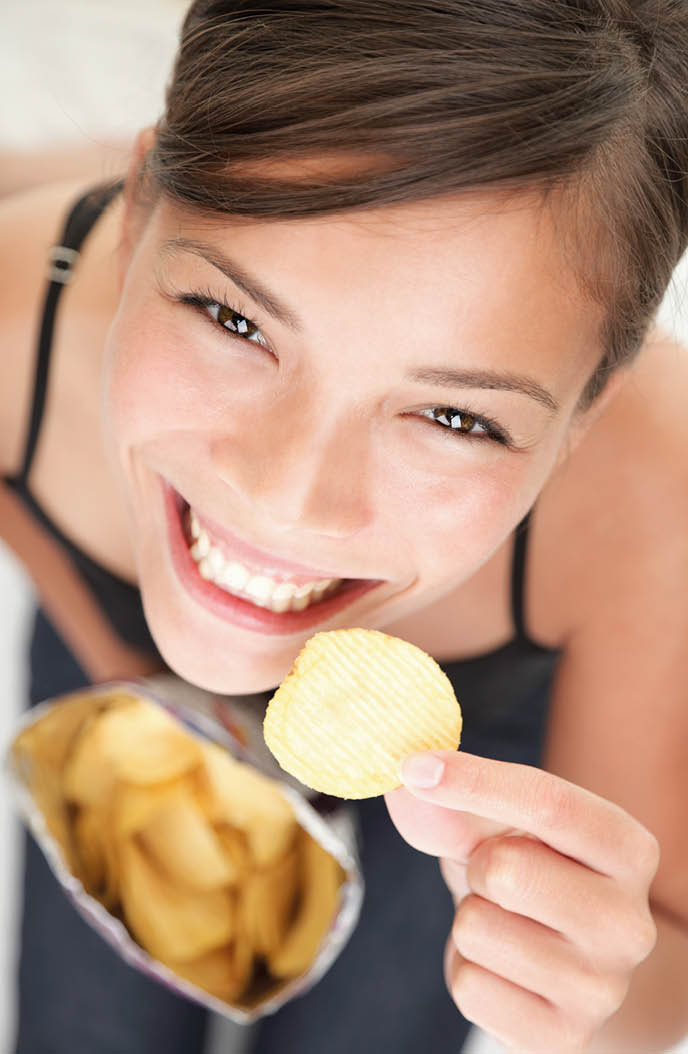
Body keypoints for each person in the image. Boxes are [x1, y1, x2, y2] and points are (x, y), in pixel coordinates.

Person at [1, 2, 687, 1052]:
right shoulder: (18, 316)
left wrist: (586, 998)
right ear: (138, 209)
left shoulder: (645, 498)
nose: (288, 501)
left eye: (457, 416)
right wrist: (118, 670)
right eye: (234, 318)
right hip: (120, 652)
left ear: (586, 409)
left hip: (471, 761)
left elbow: (658, 961)